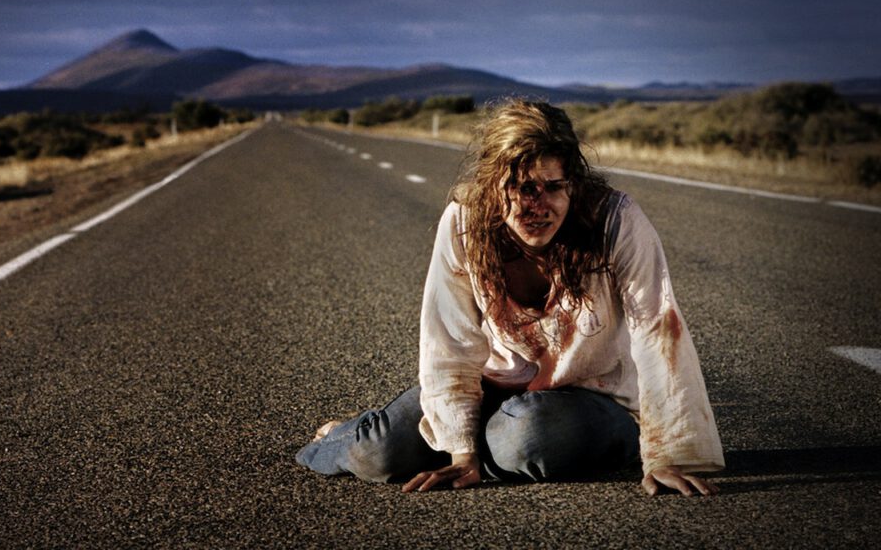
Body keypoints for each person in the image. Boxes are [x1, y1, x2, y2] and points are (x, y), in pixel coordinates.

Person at [296, 99, 724, 496]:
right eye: (520, 188)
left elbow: (658, 330)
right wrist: (461, 452)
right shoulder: (466, 222)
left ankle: (490, 444)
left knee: (528, 437)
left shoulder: (616, 220)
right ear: (491, 185)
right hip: (493, 386)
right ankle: (348, 434)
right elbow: (449, 341)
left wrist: (668, 454)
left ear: (573, 184)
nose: (537, 206)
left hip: (593, 398)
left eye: (552, 187)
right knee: (378, 454)